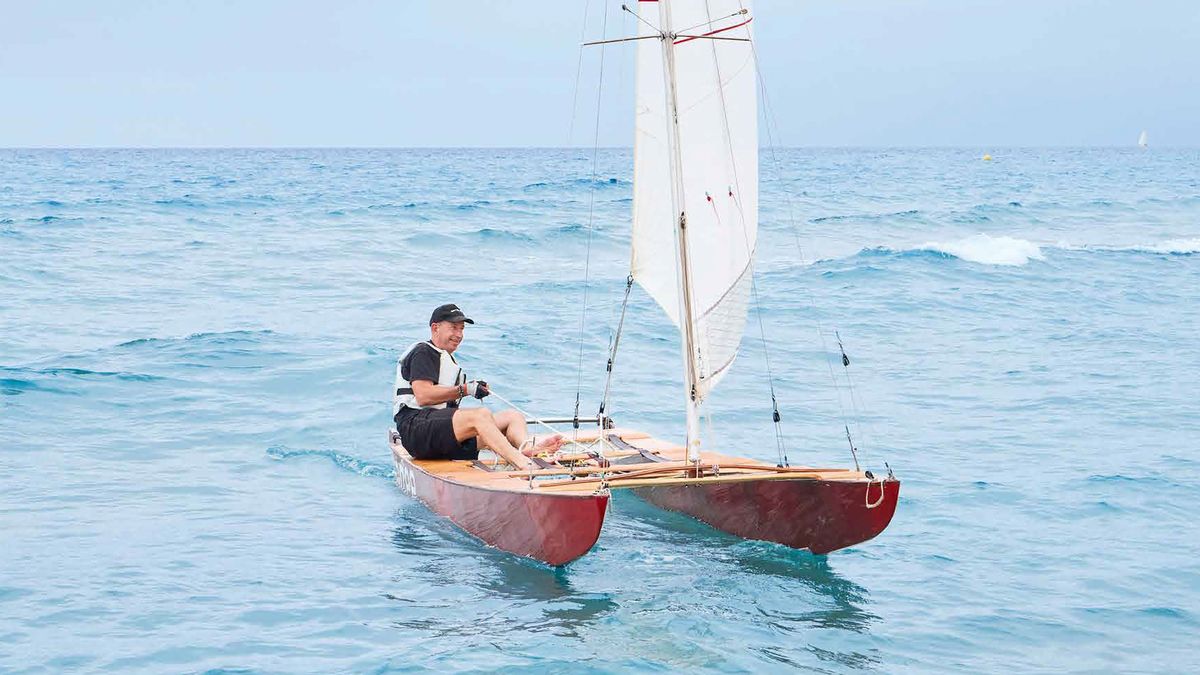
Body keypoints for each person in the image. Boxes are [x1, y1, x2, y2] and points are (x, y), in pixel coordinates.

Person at [393, 303, 562, 469]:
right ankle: (521, 462)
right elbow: (424, 396)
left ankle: (526, 449)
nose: (459, 334)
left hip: (441, 435)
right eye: (453, 327)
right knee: (480, 415)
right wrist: (465, 390)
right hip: (417, 431)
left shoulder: (448, 360)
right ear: (435, 328)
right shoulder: (424, 352)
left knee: (512, 417)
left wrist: (470, 389)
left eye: (462, 329)